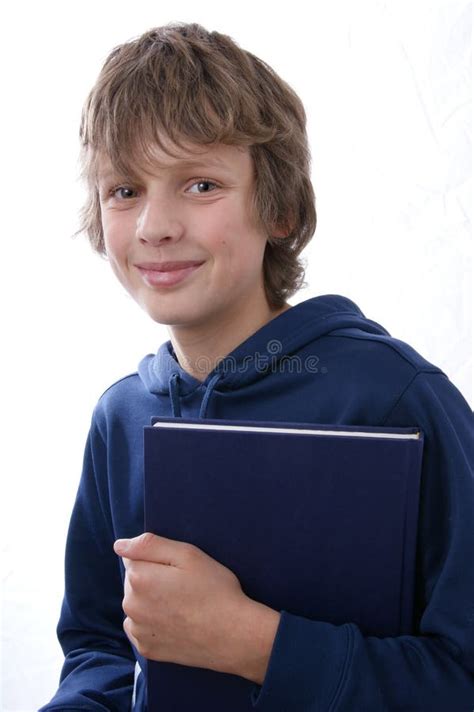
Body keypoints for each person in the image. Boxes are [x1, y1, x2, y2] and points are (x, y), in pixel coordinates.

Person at [40, 22, 473, 711]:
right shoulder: (119, 417)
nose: (154, 224)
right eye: (124, 190)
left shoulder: (395, 399)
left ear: (281, 207)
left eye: (201, 184)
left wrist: (253, 642)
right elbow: (99, 647)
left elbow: (461, 675)